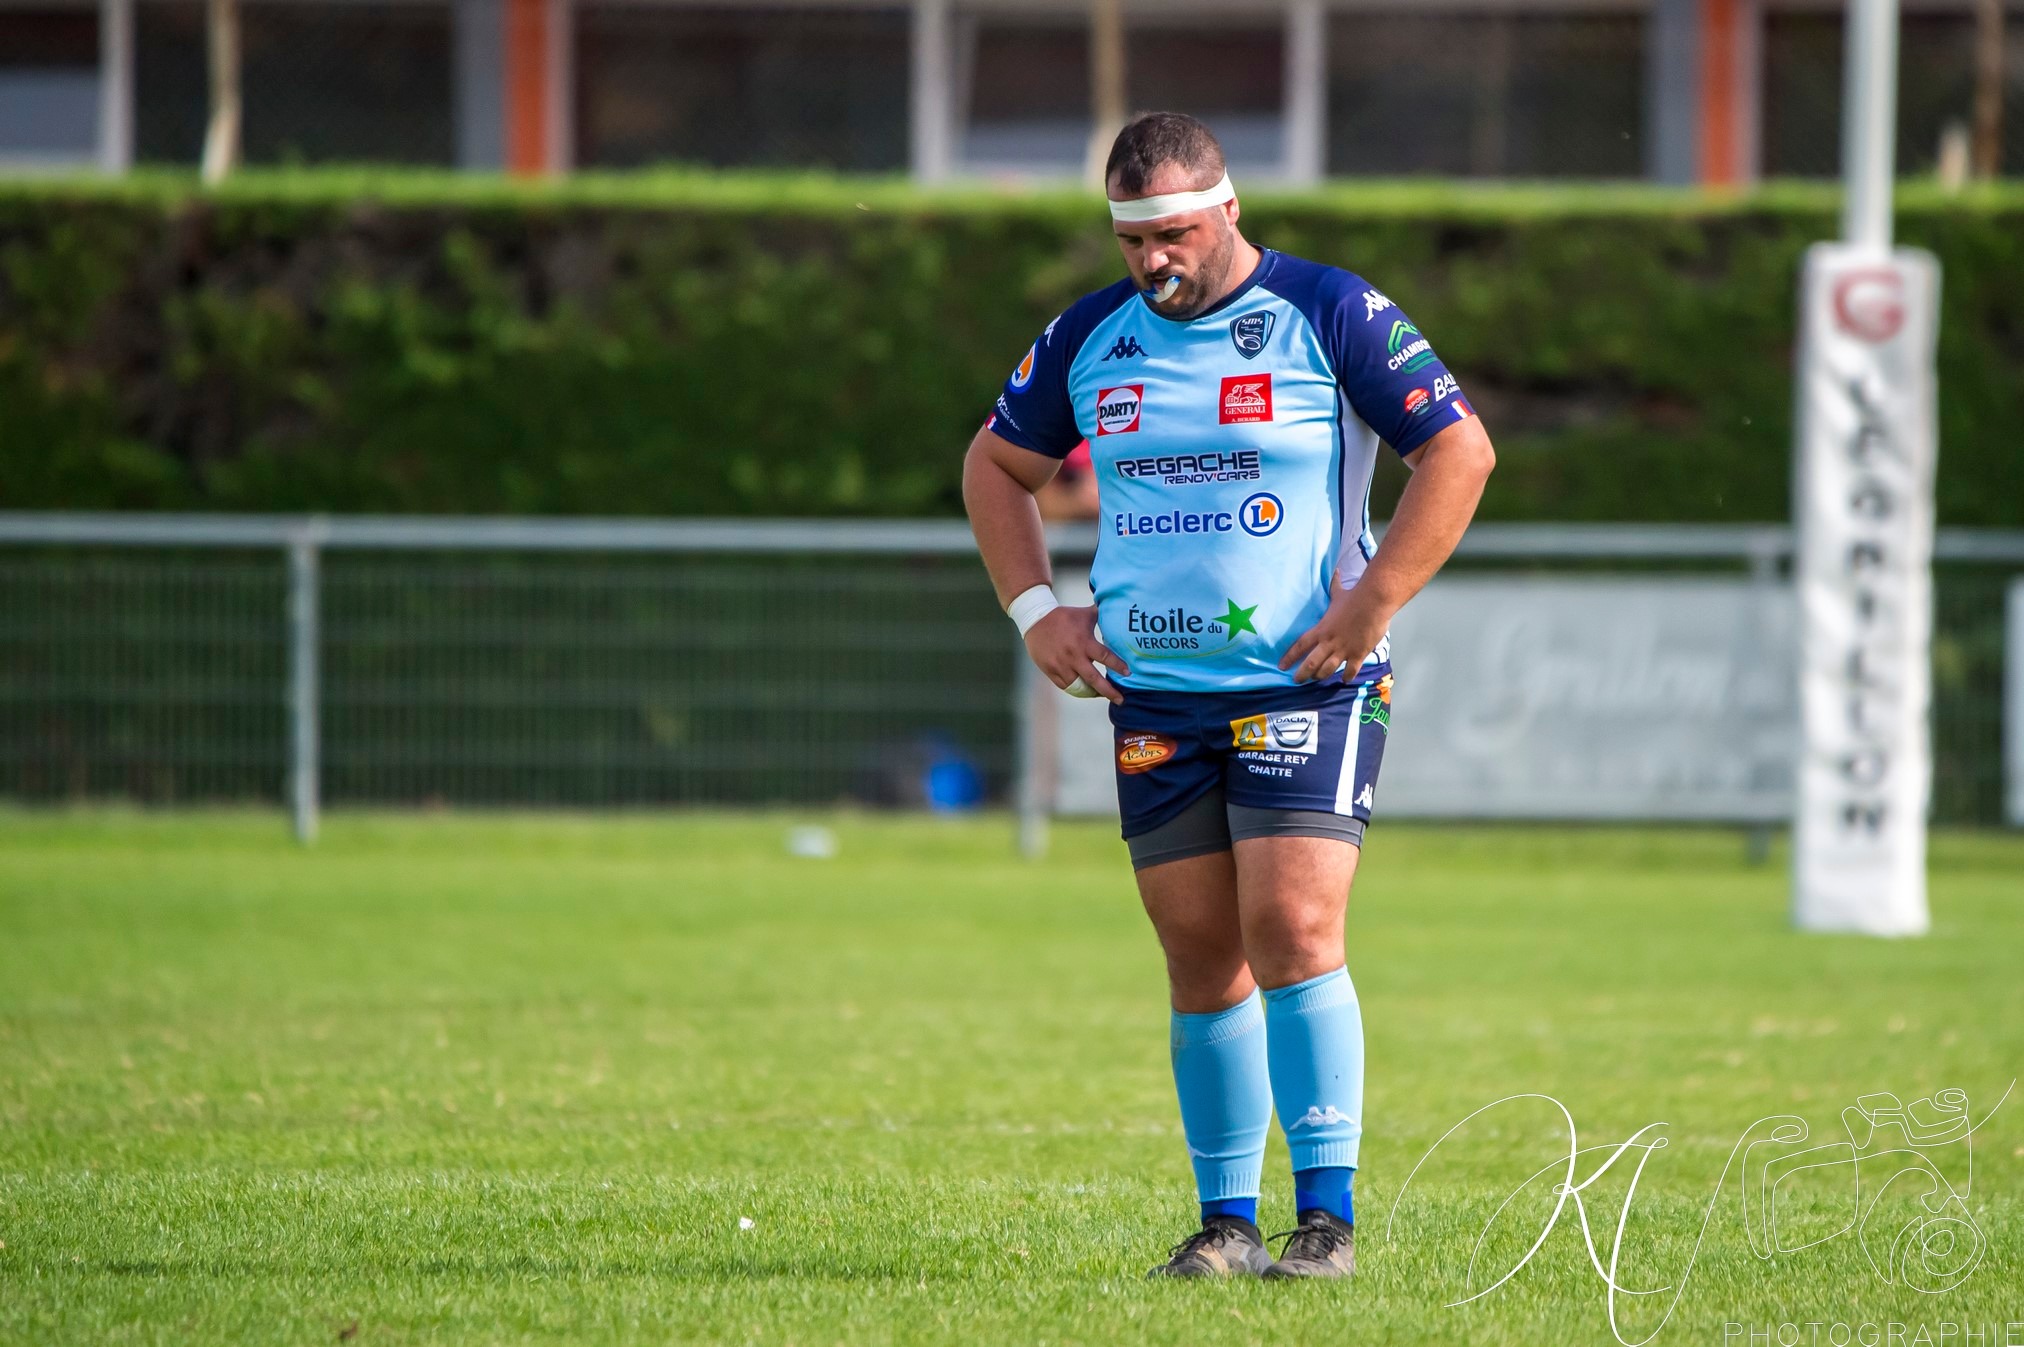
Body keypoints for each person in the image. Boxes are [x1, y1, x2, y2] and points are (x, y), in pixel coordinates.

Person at [962, 112, 1495, 1280]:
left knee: (1293, 929)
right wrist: (1033, 611)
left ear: (1228, 211)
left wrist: (1371, 607)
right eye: (1132, 239)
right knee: (1199, 955)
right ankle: (1222, 1225)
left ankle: (1326, 1224)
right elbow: (993, 465)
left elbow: (1458, 451)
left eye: (1176, 232)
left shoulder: (1330, 311)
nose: (1155, 259)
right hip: (1153, 700)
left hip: (1306, 685)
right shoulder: (1087, 337)